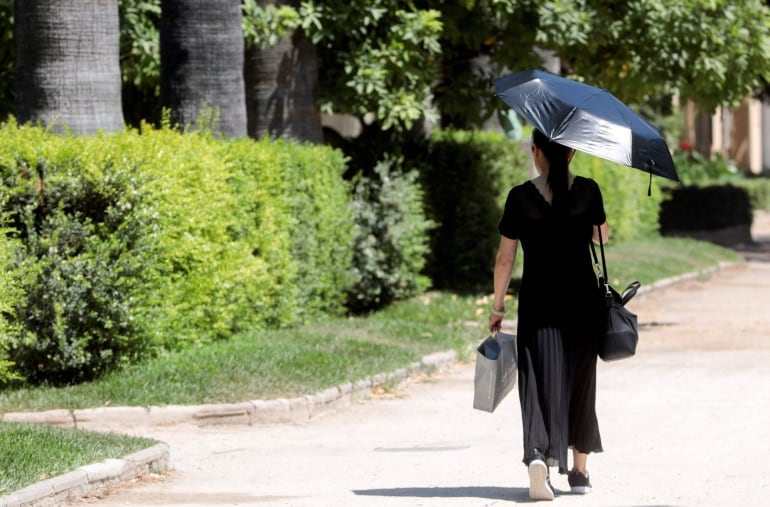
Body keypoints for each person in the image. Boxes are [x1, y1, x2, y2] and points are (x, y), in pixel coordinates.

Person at [488, 128, 609, 501]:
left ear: (536, 151)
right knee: (581, 382)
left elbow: (505, 258)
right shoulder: (587, 191)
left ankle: (537, 456)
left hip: (539, 303)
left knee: (537, 382)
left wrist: (497, 307)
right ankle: (580, 471)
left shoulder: (520, 197)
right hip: (583, 302)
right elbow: (601, 238)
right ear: (571, 153)